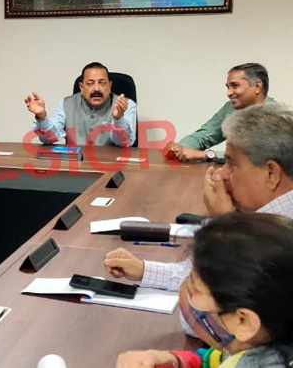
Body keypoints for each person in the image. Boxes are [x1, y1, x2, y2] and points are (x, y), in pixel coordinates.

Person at [104, 102, 293, 292]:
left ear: (271, 174)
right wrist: (143, 270)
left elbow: (214, 291)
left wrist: (223, 223)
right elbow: (194, 276)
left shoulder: (281, 239)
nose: (220, 174)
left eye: (231, 163)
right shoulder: (267, 218)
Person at [116, 213, 293, 368]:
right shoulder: (255, 345)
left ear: (243, 321)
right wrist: (174, 360)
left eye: (196, 288)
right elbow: (216, 359)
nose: (187, 291)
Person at [166, 63, 273, 162]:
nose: (229, 93)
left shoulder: (277, 116)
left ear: (257, 87)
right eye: (228, 87)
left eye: (235, 86)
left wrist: (207, 155)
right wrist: (180, 148)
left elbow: (258, 156)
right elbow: (205, 135)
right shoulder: (230, 108)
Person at [25, 62, 136, 147]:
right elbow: (48, 139)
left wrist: (118, 119)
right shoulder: (66, 104)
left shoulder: (126, 105)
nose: (96, 88)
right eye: (90, 83)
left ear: (110, 85)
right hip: (75, 167)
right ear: (81, 87)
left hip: (112, 167)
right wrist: (41, 117)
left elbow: (125, 143)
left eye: (102, 83)